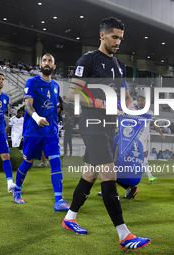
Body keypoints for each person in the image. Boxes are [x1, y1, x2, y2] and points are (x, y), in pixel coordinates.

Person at [63, 17, 150, 250]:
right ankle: (124, 235)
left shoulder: (120, 65)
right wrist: (100, 103)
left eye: (120, 38)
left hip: (110, 127)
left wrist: (136, 108)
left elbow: (126, 96)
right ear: (102, 35)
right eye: (114, 37)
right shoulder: (88, 60)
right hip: (92, 126)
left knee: (89, 175)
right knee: (108, 176)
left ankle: (69, 218)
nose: (118, 42)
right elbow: (72, 94)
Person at [12, 53, 70, 212]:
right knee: (27, 163)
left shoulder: (56, 86)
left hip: (50, 131)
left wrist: (55, 122)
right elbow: (28, 106)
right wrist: (37, 118)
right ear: (40, 64)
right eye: (44, 60)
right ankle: (17, 189)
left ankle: (59, 200)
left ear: (54, 66)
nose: (47, 63)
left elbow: (52, 107)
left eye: (50, 61)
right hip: (33, 131)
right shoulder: (32, 82)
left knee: (56, 160)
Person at [137, 95, 165, 182]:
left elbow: (155, 124)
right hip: (138, 137)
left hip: (145, 138)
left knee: (139, 156)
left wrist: (161, 133)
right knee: (144, 155)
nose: (140, 102)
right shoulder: (135, 112)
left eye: (142, 100)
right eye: (139, 101)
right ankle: (150, 176)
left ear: (145, 102)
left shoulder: (149, 112)